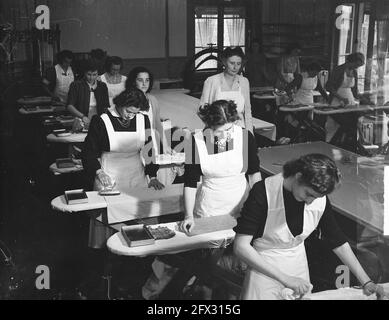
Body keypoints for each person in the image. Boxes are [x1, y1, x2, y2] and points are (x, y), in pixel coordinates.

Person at [142, 100, 261, 300]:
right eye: (218, 130)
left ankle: (217, 294)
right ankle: (176, 292)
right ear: (208, 124)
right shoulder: (196, 142)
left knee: (232, 259)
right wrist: (189, 215)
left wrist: (257, 208)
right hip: (209, 208)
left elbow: (255, 176)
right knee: (204, 258)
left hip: (241, 205)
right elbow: (190, 183)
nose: (224, 135)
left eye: (228, 129)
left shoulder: (244, 137)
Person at [233, 153, 381, 300]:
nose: (310, 201)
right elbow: (241, 247)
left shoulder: (317, 195)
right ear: (298, 177)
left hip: (298, 265)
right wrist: (285, 279)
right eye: (308, 194)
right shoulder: (263, 192)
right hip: (264, 267)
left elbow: (337, 240)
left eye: (316, 197)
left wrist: (366, 281)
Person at [82, 88, 164, 248]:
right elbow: (88, 153)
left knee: (141, 217)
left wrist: (152, 176)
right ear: (120, 104)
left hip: (136, 174)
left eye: (135, 113)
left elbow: (148, 150)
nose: (130, 116)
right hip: (109, 174)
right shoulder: (101, 120)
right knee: (110, 220)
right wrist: (99, 172)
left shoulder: (143, 120)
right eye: (128, 111)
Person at [200, 47, 254, 133]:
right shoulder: (211, 81)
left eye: (238, 63)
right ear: (224, 62)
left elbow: (247, 112)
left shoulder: (244, 82)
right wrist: (213, 128)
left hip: (239, 131)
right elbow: (202, 110)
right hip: (217, 131)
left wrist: (250, 135)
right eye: (232, 63)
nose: (235, 67)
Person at [324, 52, 366, 142]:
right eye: (356, 65)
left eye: (358, 66)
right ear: (351, 61)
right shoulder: (338, 70)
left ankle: (348, 145)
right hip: (336, 101)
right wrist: (340, 98)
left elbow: (355, 91)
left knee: (352, 124)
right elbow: (328, 86)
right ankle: (330, 144)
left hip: (350, 102)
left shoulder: (354, 72)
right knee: (334, 126)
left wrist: (363, 98)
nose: (357, 67)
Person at [67, 60, 110, 130]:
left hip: (98, 119)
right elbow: (69, 106)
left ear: (98, 74)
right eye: (89, 74)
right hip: (80, 119)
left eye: (94, 74)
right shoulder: (76, 85)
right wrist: (82, 116)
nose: (91, 78)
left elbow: (106, 106)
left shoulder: (102, 86)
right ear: (84, 73)